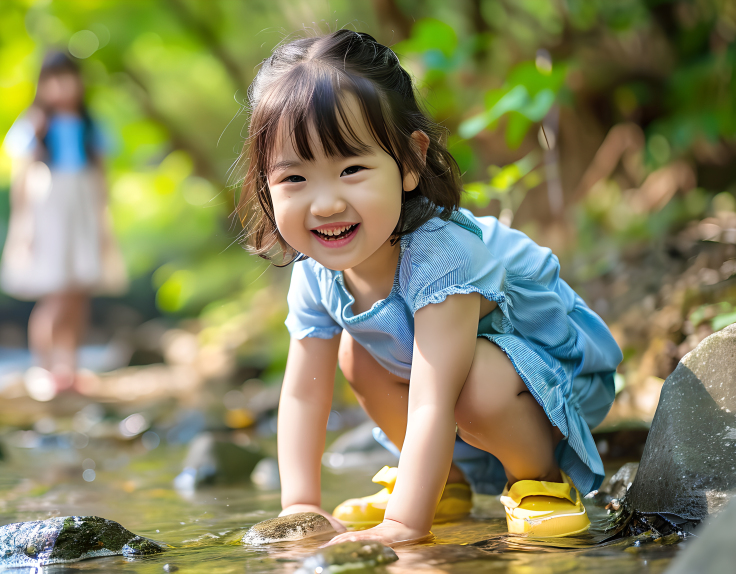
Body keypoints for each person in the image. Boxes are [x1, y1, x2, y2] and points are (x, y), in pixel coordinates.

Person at [236, 30, 622, 546]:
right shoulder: (316, 270)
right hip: (464, 382)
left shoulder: (441, 259)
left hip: (555, 376)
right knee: (356, 355)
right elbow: (304, 395)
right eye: (295, 179)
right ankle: (447, 487)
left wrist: (401, 528)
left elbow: (432, 403)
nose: (324, 204)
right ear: (266, 182)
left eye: (351, 168)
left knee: (474, 383)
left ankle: (540, 482)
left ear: (410, 161)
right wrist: (301, 505)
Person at [0, 51, 126, 397]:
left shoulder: (90, 125)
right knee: (54, 294)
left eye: (67, 76)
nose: (61, 85)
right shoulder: (35, 125)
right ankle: (43, 368)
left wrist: (104, 224)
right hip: (48, 213)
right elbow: (21, 181)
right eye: (52, 78)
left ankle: (68, 368)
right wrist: (23, 227)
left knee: (78, 293)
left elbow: (101, 178)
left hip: (83, 213)